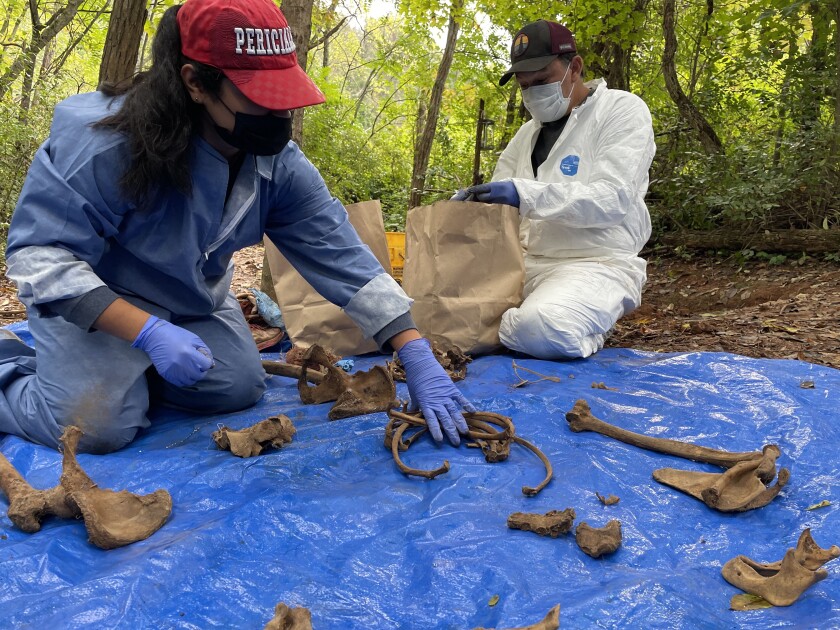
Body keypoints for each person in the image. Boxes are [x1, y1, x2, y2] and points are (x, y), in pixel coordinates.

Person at [0, 0, 473, 454]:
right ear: (196, 83)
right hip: (97, 301)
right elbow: (41, 256)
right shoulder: (104, 144)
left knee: (236, 387)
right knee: (98, 427)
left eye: (284, 98)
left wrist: (414, 352)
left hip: (190, 302)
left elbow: (341, 255)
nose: (279, 117)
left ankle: (119, 375)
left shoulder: (279, 165)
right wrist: (144, 333)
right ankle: (18, 369)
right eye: (260, 99)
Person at [453, 20, 655, 360]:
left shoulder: (620, 111)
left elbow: (613, 199)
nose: (532, 92)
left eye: (542, 80)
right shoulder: (526, 135)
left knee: (542, 328)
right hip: (523, 266)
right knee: (435, 317)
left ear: (574, 68)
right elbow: (499, 209)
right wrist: (469, 206)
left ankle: (583, 327)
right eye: (524, 85)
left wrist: (524, 194)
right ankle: (515, 326)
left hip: (594, 263)